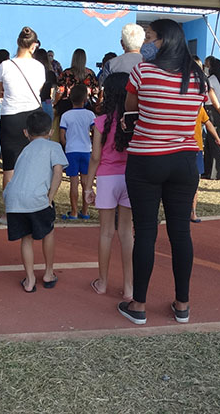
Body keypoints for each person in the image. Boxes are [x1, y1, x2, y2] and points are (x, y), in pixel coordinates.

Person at [118, 19, 209, 326]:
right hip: (184, 160)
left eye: (150, 37)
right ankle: (182, 304)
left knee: (145, 231)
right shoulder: (197, 77)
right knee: (180, 232)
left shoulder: (143, 72)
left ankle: (139, 305)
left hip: (146, 159)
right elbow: (195, 112)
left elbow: (131, 108)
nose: (146, 43)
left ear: (164, 41)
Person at [3, 110, 66, 293]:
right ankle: (48, 273)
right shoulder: (53, 146)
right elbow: (57, 172)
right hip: (38, 198)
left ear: (26, 132)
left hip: (14, 199)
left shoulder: (24, 151)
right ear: (51, 132)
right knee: (48, 232)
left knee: (26, 237)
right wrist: (50, 197)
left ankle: (29, 279)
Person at [83, 72, 134, 300]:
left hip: (106, 178)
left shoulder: (101, 121)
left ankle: (102, 282)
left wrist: (87, 186)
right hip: (129, 177)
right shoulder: (134, 121)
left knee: (105, 233)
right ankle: (129, 287)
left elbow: (95, 156)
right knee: (126, 233)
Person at [0, 27, 44, 195]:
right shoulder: (39, 67)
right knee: (33, 164)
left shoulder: (5, 66)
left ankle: (10, 207)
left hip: (11, 117)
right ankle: (32, 203)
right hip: (33, 115)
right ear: (34, 46)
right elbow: (39, 88)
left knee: (9, 166)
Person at [59, 84, 95, 220]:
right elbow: (95, 131)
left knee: (73, 182)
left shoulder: (66, 116)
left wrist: (67, 145)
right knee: (86, 182)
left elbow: (62, 135)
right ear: (85, 99)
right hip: (86, 150)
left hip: (72, 150)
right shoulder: (90, 115)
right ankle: (85, 211)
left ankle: (73, 212)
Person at [55, 48, 99, 120]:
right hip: (85, 104)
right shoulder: (90, 73)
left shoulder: (66, 73)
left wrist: (55, 103)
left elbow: (60, 90)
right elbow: (95, 90)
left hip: (67, 105)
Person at [33, 48, 58, 122]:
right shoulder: (50, 73)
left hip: (34, 102)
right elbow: (54, 89)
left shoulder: (32, 73)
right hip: (47, 102)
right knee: (48, 125)